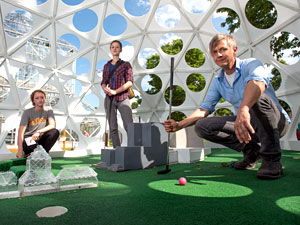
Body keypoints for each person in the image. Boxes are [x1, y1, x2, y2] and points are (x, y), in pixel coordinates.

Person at [164, 34, 290, 180]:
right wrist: (179, 125)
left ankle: (272, 160)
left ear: (234, 49)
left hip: (276, 123)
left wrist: (244, 108)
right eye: (214, 52)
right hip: (247, 126)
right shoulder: (218, 81)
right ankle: (251, 152)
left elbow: (258, 83)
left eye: (222, 49)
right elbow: (204, 109)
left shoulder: (251, 64)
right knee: (202, 126)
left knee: (257, 97)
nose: (218, 55)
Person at [101, 40, 133, 148]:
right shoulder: (106, 66)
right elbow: (104, 81)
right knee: (113, 127)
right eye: (112, 47)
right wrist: (105, 88)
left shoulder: (125, 65)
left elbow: (130, 82)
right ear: (110, 49)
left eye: (117, 47)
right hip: (110, 99)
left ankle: (132, 149)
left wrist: (116, 91)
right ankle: (117, 150)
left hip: (123, 98)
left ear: (121, 49)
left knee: (129, 125)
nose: (115, 49)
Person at [16, 90, 59, 158]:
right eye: (37, 98)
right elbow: (21, 133)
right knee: (31, 148)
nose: (40, 100)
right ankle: (35, 155)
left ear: (44, 98)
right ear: (33, 100)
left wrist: (38, 132)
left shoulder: (49, 110)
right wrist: (20, 150)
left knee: (55, 132)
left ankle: (43, 154)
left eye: (42, 97)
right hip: (30, 139)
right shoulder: (27, 113)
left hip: (40, 138)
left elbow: (52, 125)